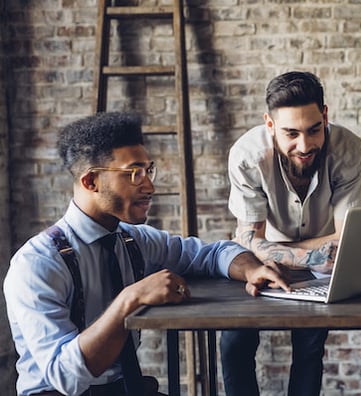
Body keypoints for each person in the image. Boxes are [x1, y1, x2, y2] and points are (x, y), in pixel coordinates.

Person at [3, 112, 290, 396]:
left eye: (148, 171)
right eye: (133, 174)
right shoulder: (38, 264)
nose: (150, 186)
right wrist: (130, 298)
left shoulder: (133, 240)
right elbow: (64, 377)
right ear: (91, 181)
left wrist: (251, 268)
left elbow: (213, 253)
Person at [221, 71, 361, 395]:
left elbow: (351, 239)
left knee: (310, 348)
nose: (304, 145)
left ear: (326, 116)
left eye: (314, 130)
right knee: (234, 341)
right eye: (291, 133)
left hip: (317, 270)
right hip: (262, 264)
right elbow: (247, 240)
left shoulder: (348, 150)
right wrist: (317, 249)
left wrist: (274, 247)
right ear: (270, 125)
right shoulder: (247, 157)